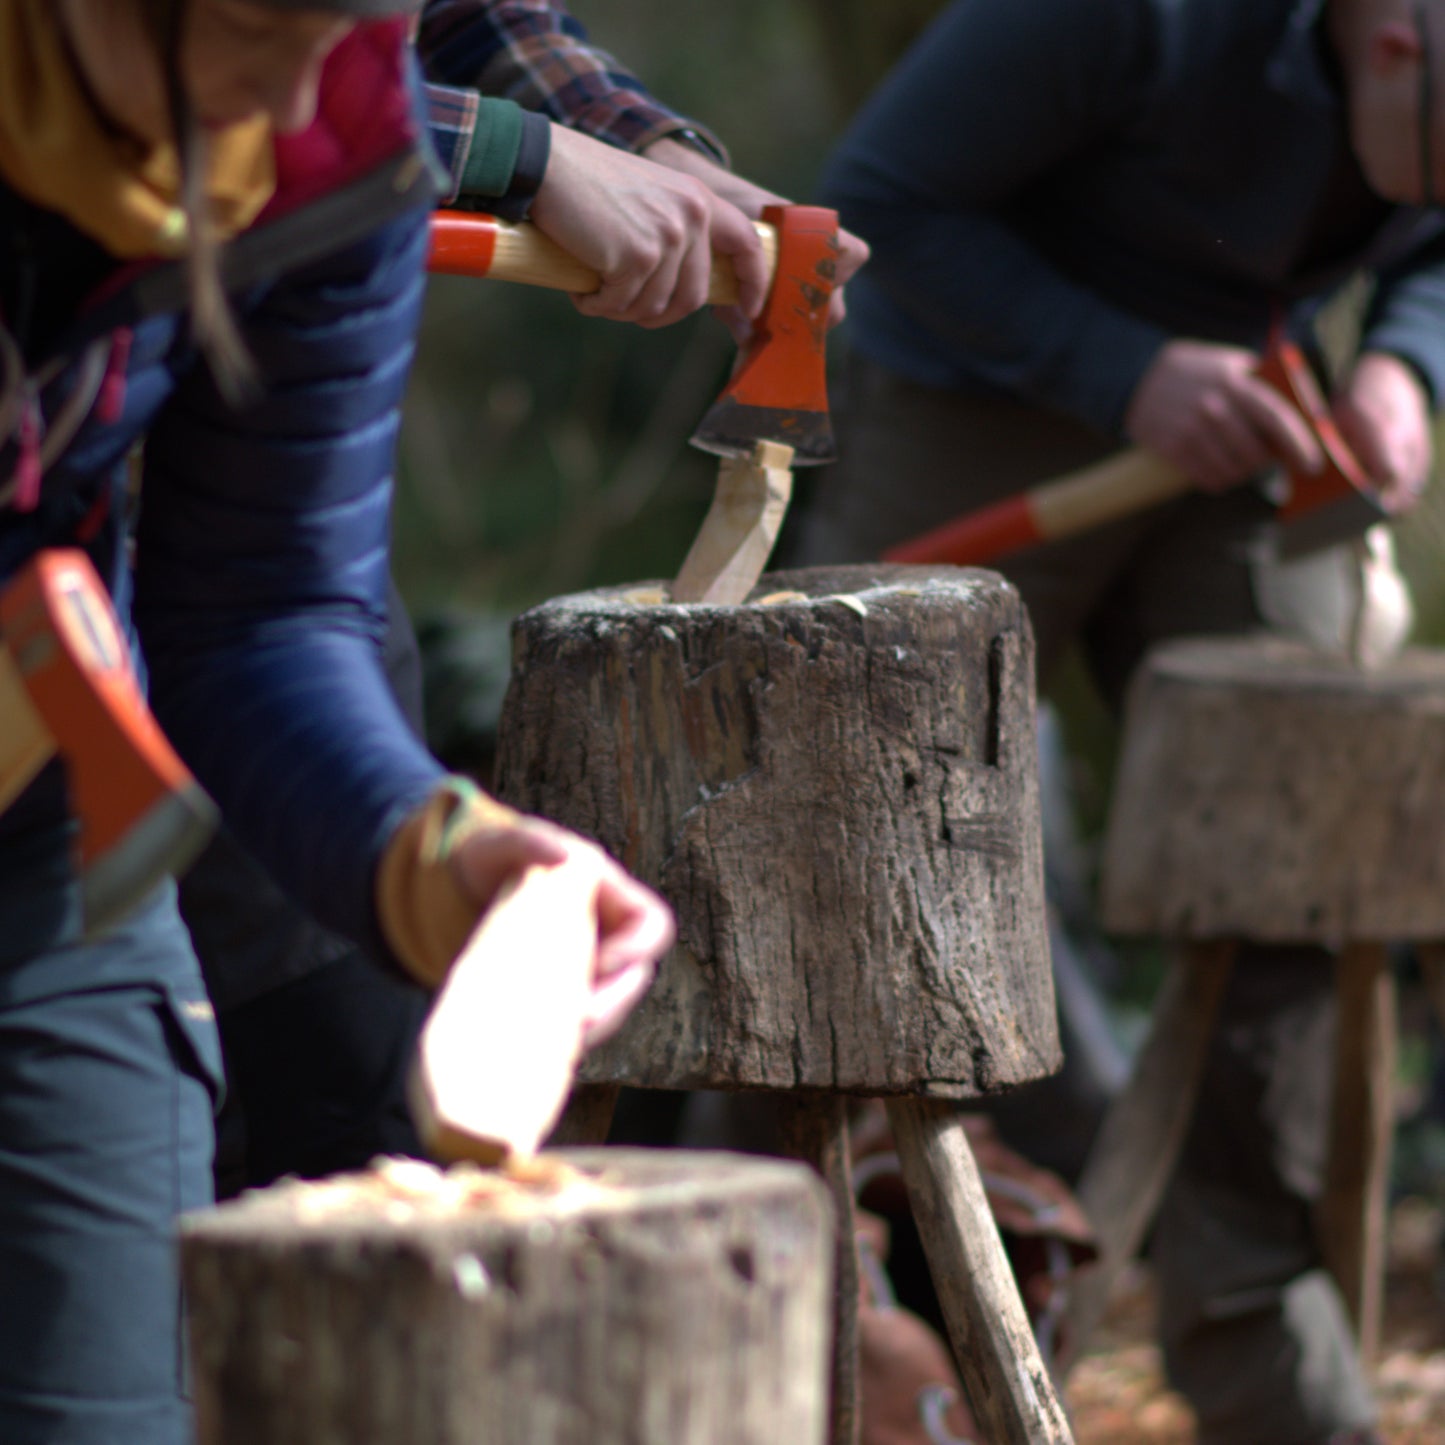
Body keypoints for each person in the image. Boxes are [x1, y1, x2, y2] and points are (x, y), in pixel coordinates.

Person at [0, 3, 677, 1441]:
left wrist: (438, 852)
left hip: (40, 858)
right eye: (257, 25)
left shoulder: (337, 134)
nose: (298, 91)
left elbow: (256, 611)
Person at [798, 1, 1445, 1442]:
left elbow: (1432, 256)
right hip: (979, 400)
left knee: (1272, 874)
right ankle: (811, 1341)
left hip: (1250, 426)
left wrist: (1407, 363)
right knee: (861, 877)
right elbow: (881, 201)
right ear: (1395, 42)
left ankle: (1283, 1388)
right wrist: (1124, 372)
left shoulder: (1418, 71)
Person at [193, 0, 869, 1197]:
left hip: (234, 603)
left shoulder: (325, 190)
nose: (326, 103)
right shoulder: (307, 139)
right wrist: (513, 153)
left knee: (346, 1122)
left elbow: (267, 617)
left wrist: (636, 146)